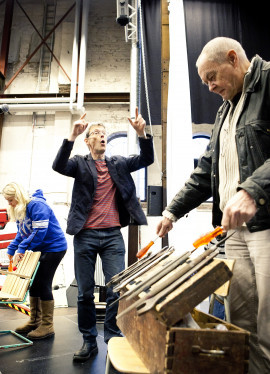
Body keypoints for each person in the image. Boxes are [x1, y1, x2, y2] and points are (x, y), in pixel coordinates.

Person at [156, 37, 270, 374]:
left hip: (266, 225)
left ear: (233, 59)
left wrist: (253, 191)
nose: (209, 87)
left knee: (268, 324)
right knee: (240, 319)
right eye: (205, 81)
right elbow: (206, 171)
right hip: (232, 232)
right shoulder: (225, 111)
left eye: (212, 77)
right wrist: (171, 210)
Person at [52, 108, 154, 362]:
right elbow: (58, 166)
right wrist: (71, 137)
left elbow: (146, 159)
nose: (101, 136)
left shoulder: (118, 163)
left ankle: (112, 337)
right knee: (84, 293)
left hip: (112, 237)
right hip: (85, 235)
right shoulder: (78, 163)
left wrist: (142, 133)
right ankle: (88, 341)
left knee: (115, 290)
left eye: (103, 133)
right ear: (88, 141)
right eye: (95, 133)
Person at [2, 182, 67, 339]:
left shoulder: (37, 206)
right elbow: (22, 233)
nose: (9, 203)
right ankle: (34, 321)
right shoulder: (20, 209)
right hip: (40, 249)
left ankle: (47, 326)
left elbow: (39, 232)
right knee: (34, 284)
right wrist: (12, 249)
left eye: (11, 200)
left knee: (43, 283)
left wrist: (22, 249)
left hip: (54, 248)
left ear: (18, 196)